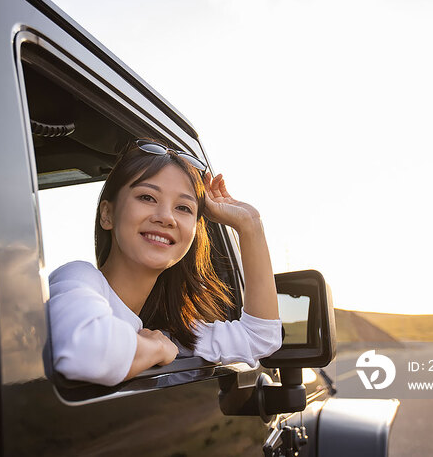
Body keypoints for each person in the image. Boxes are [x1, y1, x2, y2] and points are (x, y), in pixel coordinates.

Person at [48, 138, 282, 386]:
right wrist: (157, 349)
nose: (166, 217)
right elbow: (84, 353)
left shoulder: (172, 333)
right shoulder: (79, 278)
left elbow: (261, 338)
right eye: (147, 197)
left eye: (183, 207)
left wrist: (250, 224)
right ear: (107, 214)